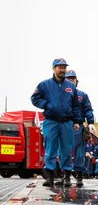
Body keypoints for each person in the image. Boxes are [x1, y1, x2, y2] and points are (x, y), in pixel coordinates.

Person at [31, 58, 80, 187]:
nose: (62, 69)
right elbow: (34, 98)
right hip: (50, 122)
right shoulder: (44, 85)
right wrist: (46, 104)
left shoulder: (71, 87)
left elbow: (76, 105)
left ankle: (67, 177)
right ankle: (50, 177)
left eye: (64, 67)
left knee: (66, 150)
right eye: (59, 67)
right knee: (50, 149)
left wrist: (76, 121)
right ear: (53, 69)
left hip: (67, 122)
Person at [65, 69, 96, 187]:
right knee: (64, 152)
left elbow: (88, 109)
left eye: (72, 79)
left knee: (79, 152)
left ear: (76, 80)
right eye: (68, 79)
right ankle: (66, 176)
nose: (71, 81)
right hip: (64, 125)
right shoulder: (60, 95)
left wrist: (91, 122)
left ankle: (79, 176)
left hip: (77, 126)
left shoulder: (82, 95)